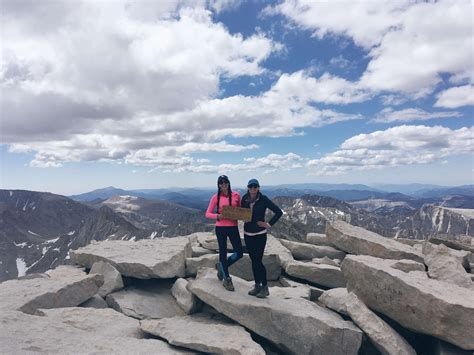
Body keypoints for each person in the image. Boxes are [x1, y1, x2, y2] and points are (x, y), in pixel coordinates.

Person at [241, 178, 282, 298]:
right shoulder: (244, 198)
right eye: (250, 186)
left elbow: (278, 212)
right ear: (248, 188)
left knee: (258, 261)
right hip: (248, 234)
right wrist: (242, 217)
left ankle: (265, 287)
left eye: (255, 186)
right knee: (254, 261)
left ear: (258, 188)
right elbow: (241, 212)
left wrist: (268, 224)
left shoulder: (263, 199)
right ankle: (257, 285)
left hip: (260, 234)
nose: (253, 189)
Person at [205, 175, 243, 291]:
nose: (223, 184)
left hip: (233, 227)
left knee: (239, 253)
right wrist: (218, 216)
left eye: (225, 182)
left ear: (228, 183)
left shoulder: (236, 195)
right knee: (222, 251)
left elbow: (240, 211)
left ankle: (222, 266)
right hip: (221, 227)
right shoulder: (215, 197)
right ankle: (227, 279)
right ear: (218, 185)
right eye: (221, 183)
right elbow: (207, 214)